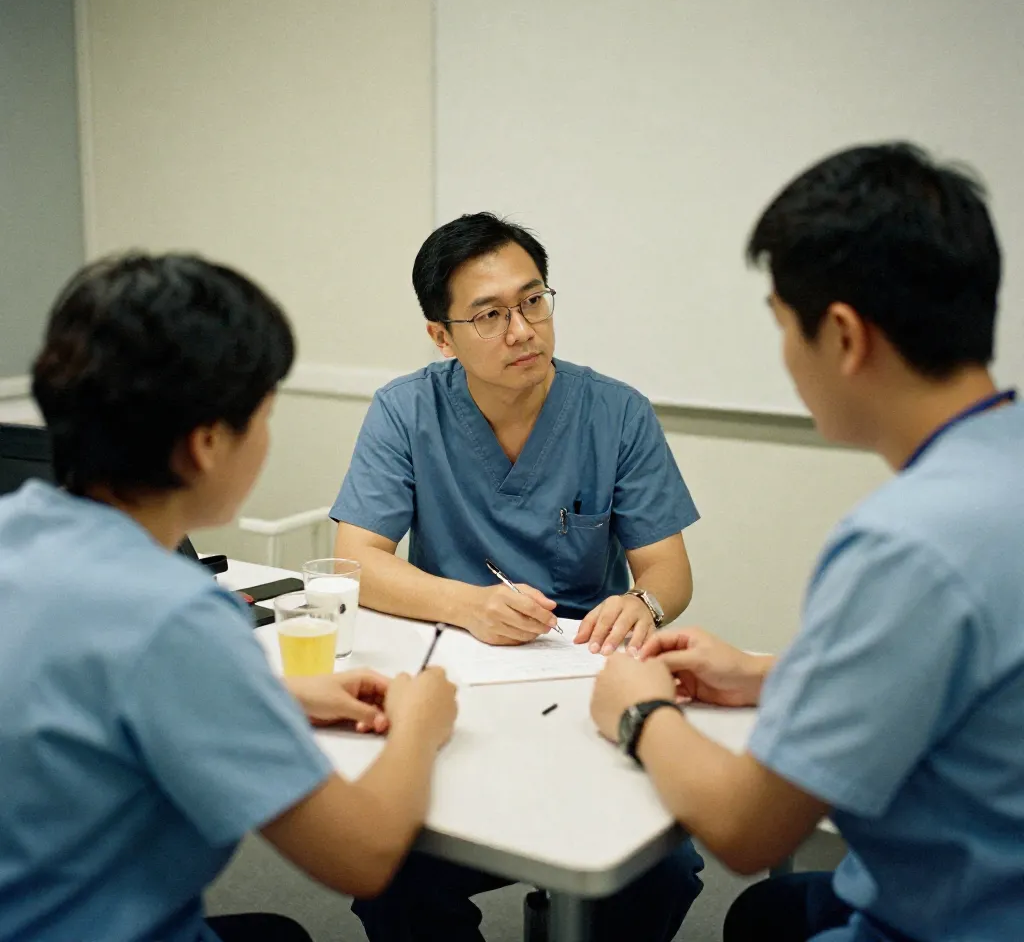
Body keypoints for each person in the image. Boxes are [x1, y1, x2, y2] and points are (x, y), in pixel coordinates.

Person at [589, 142, 1023, 942]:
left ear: (845, 336)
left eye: (786, 329)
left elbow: (748, 832)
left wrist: (638, 712)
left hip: (957, 918)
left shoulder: (904, 545)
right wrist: (763, 674)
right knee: (765, 918)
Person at [0, 253, 458, 942]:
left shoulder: (17, 532)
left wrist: (272, 696)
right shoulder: (175, 615)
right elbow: (362, 856)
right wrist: (422, 724)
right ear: (208, 443)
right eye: (264, 416)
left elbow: (71, 694)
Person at [331, 213, 704, 940]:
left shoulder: (616, 413)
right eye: (490, 315)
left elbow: (667, 571)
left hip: (583, 687)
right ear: (441, 336)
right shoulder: (406, 412)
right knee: (391, 872)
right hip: (455, 691)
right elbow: (356, 560)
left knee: (660, 872)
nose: (523, 329)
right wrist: (469, 606)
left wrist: (642, 604)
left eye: (534, 301)